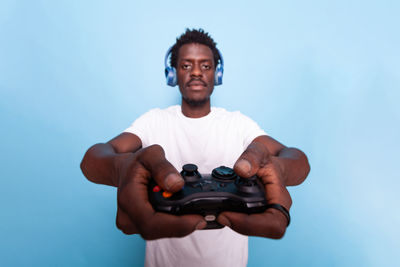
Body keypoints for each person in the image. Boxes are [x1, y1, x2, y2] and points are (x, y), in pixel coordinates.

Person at [80, 29, 310, 267]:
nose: (197, 72)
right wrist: (122, 168)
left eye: (206, 66)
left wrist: (279, 169)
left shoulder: (238, 124)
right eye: (187, 66)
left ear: (217, 73)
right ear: (173, 74)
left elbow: (295, 158)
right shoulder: (153, 122)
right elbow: (93, 158)